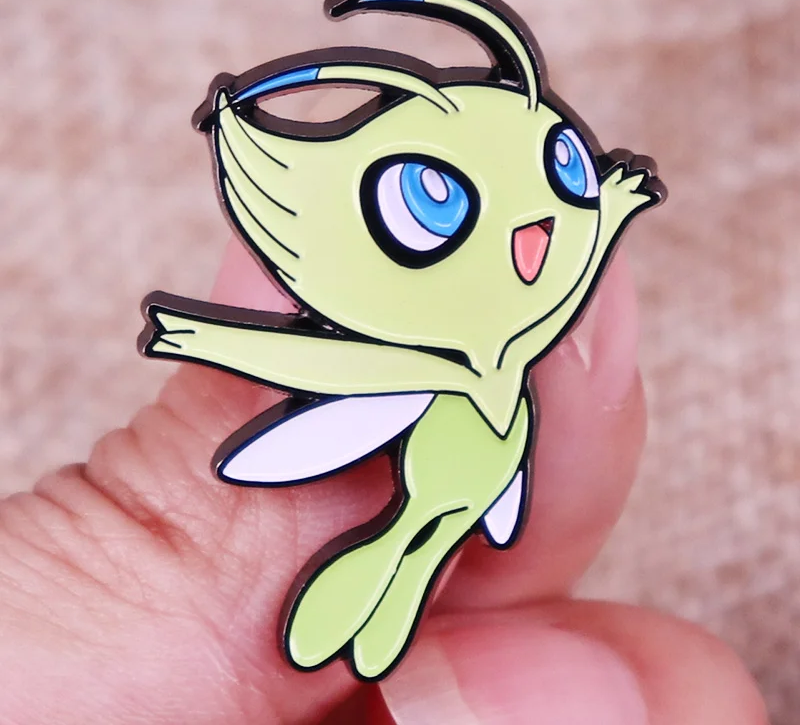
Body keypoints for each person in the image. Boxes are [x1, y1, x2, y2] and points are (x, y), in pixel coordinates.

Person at [0, 239, 767, 724]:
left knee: (419, 551)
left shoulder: (478, 358)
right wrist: (210, 335)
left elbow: (341, 364)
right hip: (460, 480)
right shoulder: (447, 362)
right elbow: (333, 364)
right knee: (412, 552)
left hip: (477, 480)